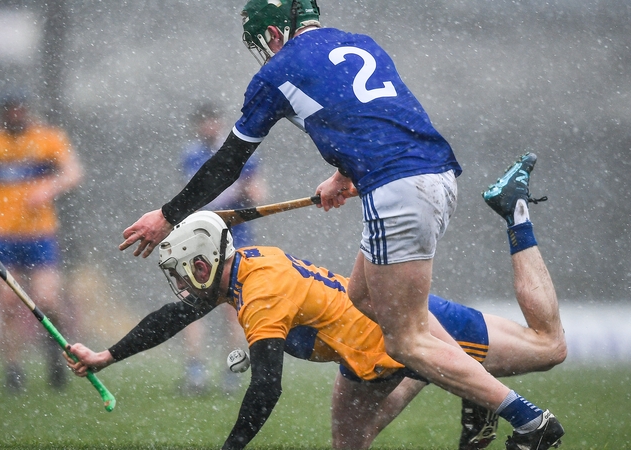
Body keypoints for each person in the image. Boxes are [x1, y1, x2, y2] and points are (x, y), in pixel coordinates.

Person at [116, 1, 564, 448]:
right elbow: (380, 119)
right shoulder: (359, 43)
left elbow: (229, 163)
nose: (266, 52)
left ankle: (526, 420)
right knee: (361, 295)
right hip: (432, 174)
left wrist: (166, 216)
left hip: (397, 188)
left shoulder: (276, 72)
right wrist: (344, 175)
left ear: (274, 33)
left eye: (264, 43)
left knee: (407, 341)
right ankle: (477, 387)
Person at [66, 153, 565, 450]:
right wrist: (107, 356)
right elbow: (175, 316)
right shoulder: (240, 267)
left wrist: (231, 446)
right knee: (350, 444)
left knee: (548, 348)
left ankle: (514, 211)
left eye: (181, 274)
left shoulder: (258, 295)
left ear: (202, 264)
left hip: (409, 330)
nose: (181, 286)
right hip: (366, 355)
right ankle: (465, 386)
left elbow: (265, 390)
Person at [0, 89, 83, 392]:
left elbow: (73, 173)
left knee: (47, 301)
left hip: (41, 234)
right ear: (2, 114)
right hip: (2, 235)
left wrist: (48, 188)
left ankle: (55, 355)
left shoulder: (48, 138)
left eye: (20, 110)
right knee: (6, 303)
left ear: (28, 111)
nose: (15, 115)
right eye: (10, 111)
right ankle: (13, 369)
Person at [178, 103, 267, 395]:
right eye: (203, 122)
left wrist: (246, 191)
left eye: (212, 121)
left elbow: (259, 192)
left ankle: (232, 371)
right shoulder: (192, 154)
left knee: (234, 307)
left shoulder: (241, 151)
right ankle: (196, 371)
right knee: (192, 300)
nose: (208, 127)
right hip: (201, 237)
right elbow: (194, 193)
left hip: (236, 236)